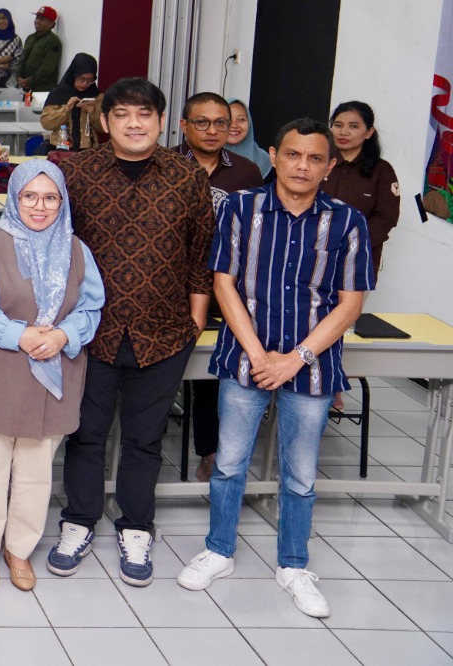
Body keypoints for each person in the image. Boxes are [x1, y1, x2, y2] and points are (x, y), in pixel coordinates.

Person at [176, 118, 374, 620]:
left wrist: (296, 358)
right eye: (292, 155)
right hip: (246, 360)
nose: (302, 166)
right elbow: (224, 284)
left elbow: (350, 304)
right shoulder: (241, 209)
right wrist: (261, 354)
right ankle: (219, 551)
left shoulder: (349, 221)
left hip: (311, 367)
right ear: (273, 156)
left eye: (314, 158)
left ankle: (293, 565)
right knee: (228, 463)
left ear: (329, 166)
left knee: (301, 474)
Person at [47, 78, 213, 587]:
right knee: (86, 434)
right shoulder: (73, 173)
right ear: (105, 122)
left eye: (145, 114)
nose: (135, 123)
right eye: (122, 115)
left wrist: (195, 318)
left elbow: (202, 251)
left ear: (162, 123)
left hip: (164, 332)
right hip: (89, 330)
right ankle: (78, 521)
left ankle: (137, 526)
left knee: (145, 439)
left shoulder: (187, 179)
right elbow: (49, 244)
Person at [0, 161, 104, 592]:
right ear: (14, 198)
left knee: (37, 470)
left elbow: (91, 308)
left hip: (56, 370)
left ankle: (18, 548)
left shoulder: (78, 250)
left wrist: (63, 335)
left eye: (50, 198)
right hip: (1, 368)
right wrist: (19, 336)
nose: (40, 207)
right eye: (30, 196)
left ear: (63, 202)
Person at [175, 91, 266, 481]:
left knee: (212, 370)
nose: (212, 131)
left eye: (220, 123)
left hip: (225, 286)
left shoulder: (247, 172)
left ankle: (210, 451)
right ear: (184, 125)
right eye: (202, 122)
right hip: (170, 285)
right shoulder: (164, 164)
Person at [323, 100, 401, 268]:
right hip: (312, 253)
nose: (344, 132)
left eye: (353, 126)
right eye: (338, 125)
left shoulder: (382, 171)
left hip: (357, 261)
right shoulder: (318, 162)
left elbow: (386, 218)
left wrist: (350, 245)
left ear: (368, 132)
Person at [39, 53, 102, 151]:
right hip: (60, 148)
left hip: (88, 150)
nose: (85, 83)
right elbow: (46, 124)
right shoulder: (58, 93)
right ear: (74, 74)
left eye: (90, 80)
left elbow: (104, 127)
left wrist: (93, 112)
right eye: (82, 79)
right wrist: (66, 109)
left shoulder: (97, 96)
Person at [16, 6, 63, 93]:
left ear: (51, 23)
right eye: (37, 17)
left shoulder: (53, 42)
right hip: (27, 89)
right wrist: (18, 77)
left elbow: (47, 69)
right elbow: (22, 60)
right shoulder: (30, 38)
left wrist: (29, 81)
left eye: (42, 19)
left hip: (42, 90)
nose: (37, 21)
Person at [226, 99, 271, 177]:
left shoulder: (264, 160)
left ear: (249, 122)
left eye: (241, 120)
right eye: (228, 120)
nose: (234, 125)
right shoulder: (206, 156)